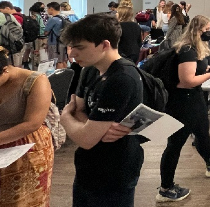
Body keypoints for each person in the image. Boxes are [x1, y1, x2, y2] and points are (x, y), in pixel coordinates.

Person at [59, 13, 145, 206]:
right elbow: (79, 109)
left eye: (79, 48)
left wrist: (65, 118)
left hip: (115, 171)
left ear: (105, 45)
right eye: (71, 47)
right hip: (88, 168)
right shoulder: (89, 68)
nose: (72, 54)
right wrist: (89, 127)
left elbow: (85, 138)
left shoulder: (122, 78)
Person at [157, 15, 210, 202]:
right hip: (183, 101)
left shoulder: (194, 48)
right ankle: (166, 188)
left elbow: (195, 71)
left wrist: (208, 69)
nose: (209, 32)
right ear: (198, 29)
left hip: (194, 99)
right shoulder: (187, 50)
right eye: (207, 29)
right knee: (175, 143)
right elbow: (187, 81)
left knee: (202, 132)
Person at [0, 45, 54, 206]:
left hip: (25, 148)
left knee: (22, 200)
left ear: (4, 70)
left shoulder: (35, 81)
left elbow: (31, 124)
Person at [44, 1, 69, 69]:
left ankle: (59, 78)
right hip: (63, 42)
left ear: (51, 9)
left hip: (54, 43)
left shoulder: (53, 20)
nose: (47, 11)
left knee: (57, 62)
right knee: (63, 61)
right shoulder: (64, 18)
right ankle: (67, 77)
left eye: (47, 9)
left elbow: (46, 32)